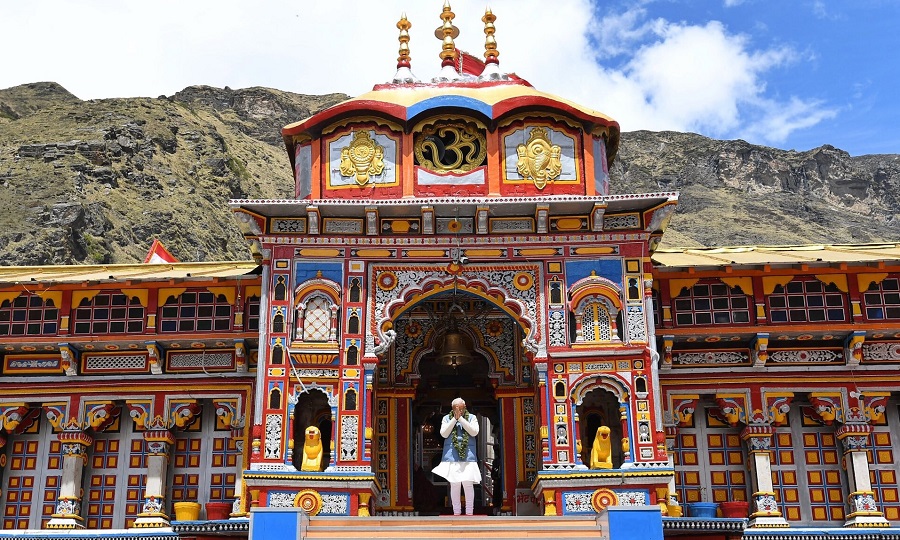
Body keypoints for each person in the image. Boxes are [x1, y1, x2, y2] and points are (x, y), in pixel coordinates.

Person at [432, 397, 481, 516]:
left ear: (465, 407)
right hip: (452, 455)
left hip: (468, 455)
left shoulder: (472, 418)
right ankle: (457, 512)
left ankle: (469, 512)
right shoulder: (446, 418)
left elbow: (474, 432)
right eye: (456, 408)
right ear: (452, 408)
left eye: (461, 407)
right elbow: (444, 433)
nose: (459, 410)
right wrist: (454, 419)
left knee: (468, 484)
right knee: (455, 484)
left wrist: (462, 420)